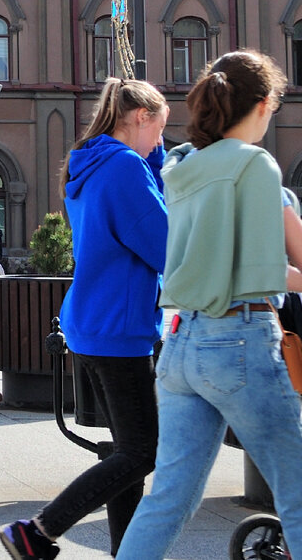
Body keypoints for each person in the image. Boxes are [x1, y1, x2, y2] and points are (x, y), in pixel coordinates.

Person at [115, 52, 302, 559]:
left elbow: (219, 258)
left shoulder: (182, 166)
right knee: (298, 491)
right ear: (264, 105)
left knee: (169, 499)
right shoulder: (254, 164)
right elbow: (267, 269)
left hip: (180, 345)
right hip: (241, 338)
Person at [0, 77, 169, 559]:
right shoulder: (124, 170)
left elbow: (127, 222)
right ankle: (38, 530)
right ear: (140, 118)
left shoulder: (94, 164)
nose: (160, 143)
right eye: (158, 132)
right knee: (141, 452)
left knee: (126, 452)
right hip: (120, 326)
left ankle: (124, 552)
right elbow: (163, 246)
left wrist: (150, 166)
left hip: (91, 321)